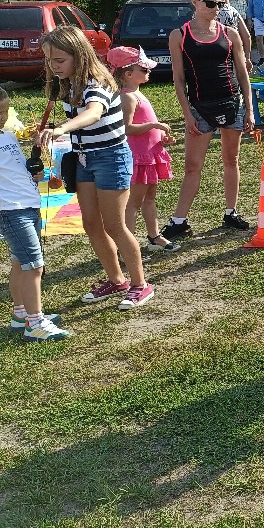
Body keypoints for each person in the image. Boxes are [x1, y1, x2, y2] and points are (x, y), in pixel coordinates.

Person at [37, 27, 154, 309]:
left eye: (60, 60)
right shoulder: (67, 84)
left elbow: (93, 113)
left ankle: (140, 284)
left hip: (110, 157)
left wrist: (62, 128)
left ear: (79, 56)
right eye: (50, 60)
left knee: (115, 225)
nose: (54, 66)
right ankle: (117, 281)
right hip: (83, 158)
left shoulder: (95, 83)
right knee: (91, 224)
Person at [162, 0, 256, 241]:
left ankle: (231, 212)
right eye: (210, 3)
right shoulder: (179, 35)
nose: (216, 8)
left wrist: (249, 109)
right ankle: (179, 221)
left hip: (231, 103)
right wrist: (187, 113)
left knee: (231, 160)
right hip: (200, 106)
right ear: (194, 2)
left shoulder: (230, 33)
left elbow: (242, 75)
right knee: (193, 166)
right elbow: (178, 79)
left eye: (220, 3)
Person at [1, 87, 71, 340]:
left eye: (5, 110)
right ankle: (35, 322)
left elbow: (14, 168)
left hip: (27, 204)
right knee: (34, 265)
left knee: (21, 262)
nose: (3, 116)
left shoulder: (6, 136)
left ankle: (21, 314)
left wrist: (32, 170)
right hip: (11, 211)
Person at [112, 46, 180, 254]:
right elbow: (126, 128)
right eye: (143, 69)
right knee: (133, 203)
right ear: (128, 74)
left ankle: (154, 236)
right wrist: (154, 126)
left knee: (150, 198)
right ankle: (127, 247)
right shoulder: (127, 97)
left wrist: (162, 138)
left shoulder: (137, 93)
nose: (148, 71)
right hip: (139, 157)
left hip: (150, 154)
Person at [194, 0, 253, 75]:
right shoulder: (232, 11)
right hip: (231, 55)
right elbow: (246, 36)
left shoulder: (202, 11)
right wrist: (247, 57)